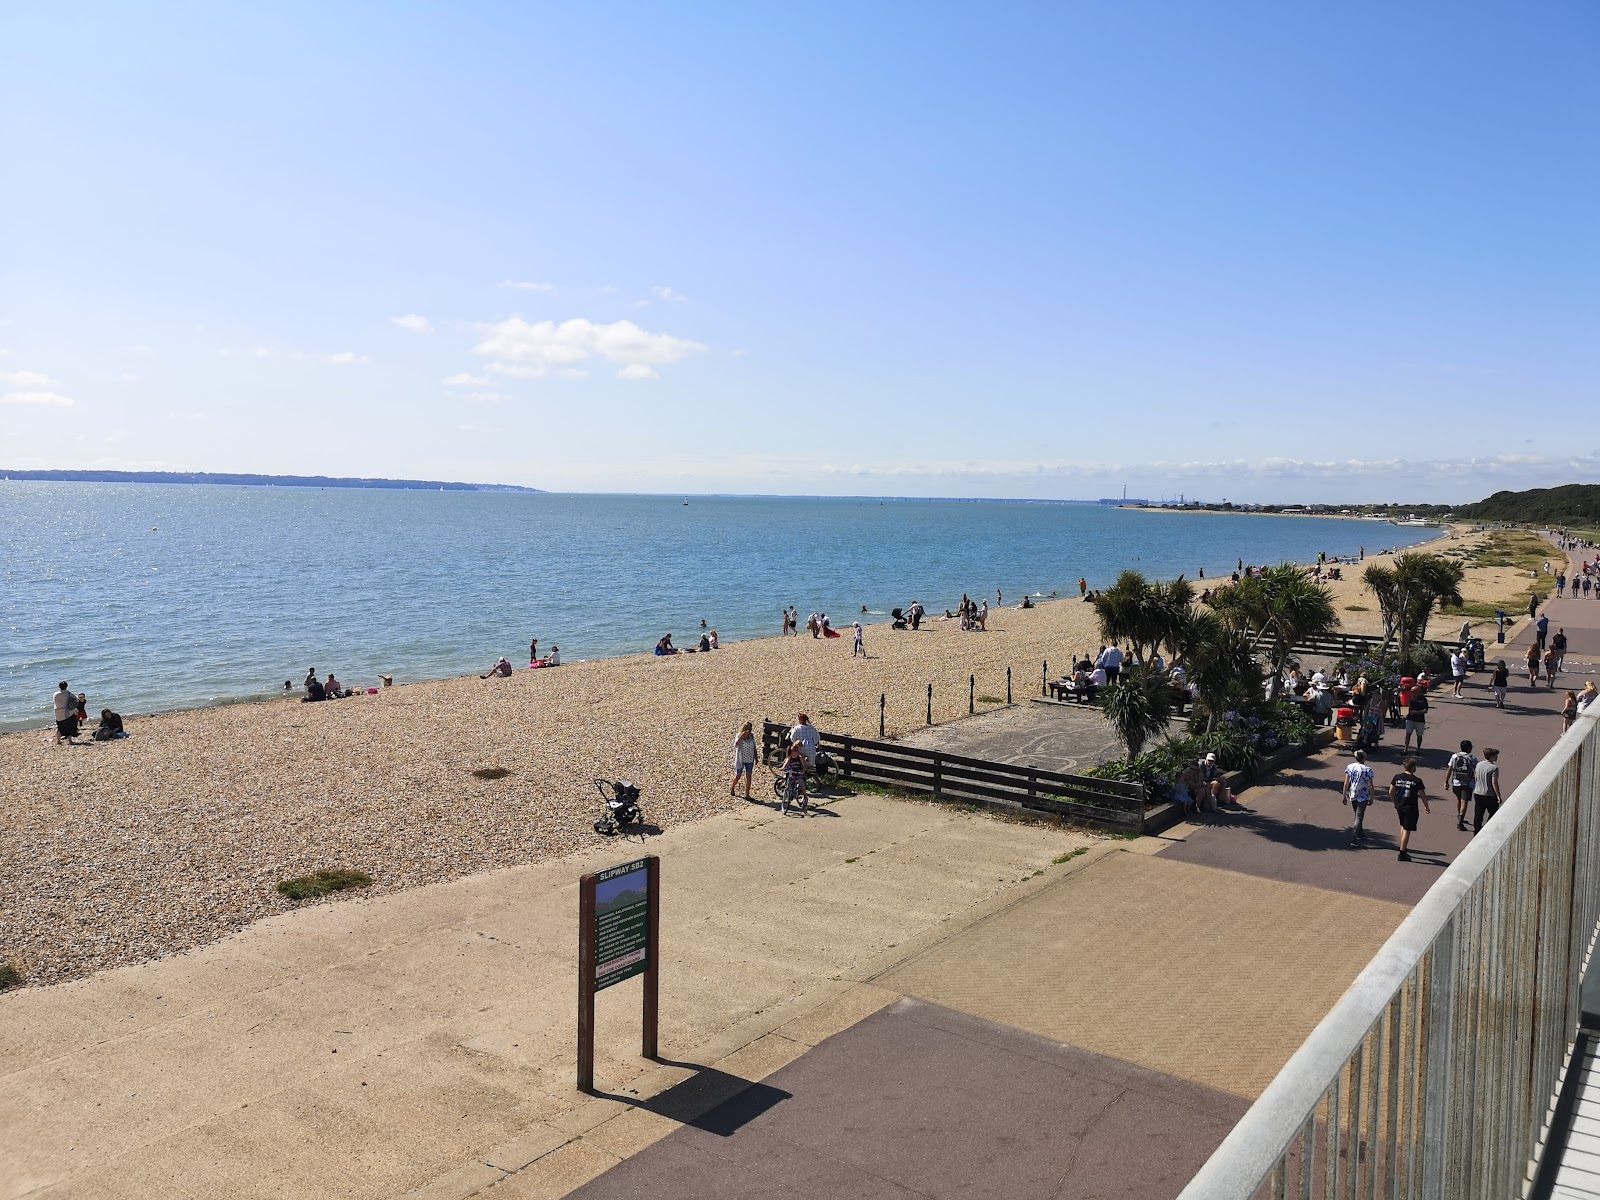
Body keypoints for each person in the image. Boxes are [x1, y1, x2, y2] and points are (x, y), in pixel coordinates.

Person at [1389, 758, 1429, 862]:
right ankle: (1402, 853)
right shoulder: (1416, 780)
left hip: (1400, 806)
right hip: (1410, 808)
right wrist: (1426, 806)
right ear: (1413, 767)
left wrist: (1395, 803)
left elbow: (1390, 792)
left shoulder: (1397, 777)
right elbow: (1423, 795)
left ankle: (1403, 846)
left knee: (1403, 825)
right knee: (1407, 829)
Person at [1343, 749, 1376, 846]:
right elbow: (1370, 786)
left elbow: (1346, 783)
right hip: (1363, 795)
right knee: (1359, 816)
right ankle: (1353, 838)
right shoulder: (1367, 769)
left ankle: (1360, 833)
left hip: (1353, 793)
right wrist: (1372, 797)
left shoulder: (1350, 767)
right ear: (1364, 758)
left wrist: (1344, 795)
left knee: (1357, 814)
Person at [1444, 740, 1478, 833]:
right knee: (1464, 801)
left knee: (1458, 799)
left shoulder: (1455, 756)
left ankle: (1460, 815)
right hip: (1467, 783)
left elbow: (1450, 769)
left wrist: (1446, 782)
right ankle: (1460, 821)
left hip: (1456, 781)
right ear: (1468, 748)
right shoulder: (1472, 758)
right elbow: (1476, 771)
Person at [1472, 748, 1502, 833]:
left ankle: (1476, 831)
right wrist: (1498, 796)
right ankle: (1488, 829)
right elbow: (1494, 783)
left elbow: (1476, 777)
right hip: (1489, 794)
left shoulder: (1478, 765)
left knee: (1478, 813)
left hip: (1478, 792)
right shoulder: (1494, 768)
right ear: (1491, 756)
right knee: (1493, 812)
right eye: (1496, 755)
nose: (1497, 757)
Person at [730, 721, 758, 800]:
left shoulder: (751, 736)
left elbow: (754, 746)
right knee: (738, 775)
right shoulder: (739, 735)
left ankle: (747, 794)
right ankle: (732, 787)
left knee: (749, 776)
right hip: (741, 759)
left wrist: (756, 756)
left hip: (750, 759)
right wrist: (741, 736)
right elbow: (736, 744)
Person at [1403, 682, 1430, 751]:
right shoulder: (1411, 698)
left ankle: (1418, 749)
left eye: (1413, 691)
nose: (1412, 693)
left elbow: (1425, 710)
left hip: (1419, 720)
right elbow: (1409, 707)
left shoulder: (1423, 699)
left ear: (1418, 691)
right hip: (1410, 719)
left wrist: (1417, 712)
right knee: (1408, 734)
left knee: (1419, 735)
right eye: (1411, 691)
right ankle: (1405, 749)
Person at [782, 743, 808, 809]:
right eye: (793, 751)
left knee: (802, 784)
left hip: (798, 774)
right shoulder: (790, 757)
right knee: (788, 785)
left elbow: (804, 766)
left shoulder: (800, 758)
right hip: (792, 774)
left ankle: (805, 797)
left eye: (795, 751)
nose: (794, 753)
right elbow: (786, 763)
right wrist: (783, 768)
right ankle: (786, 798)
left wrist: (802, 771)